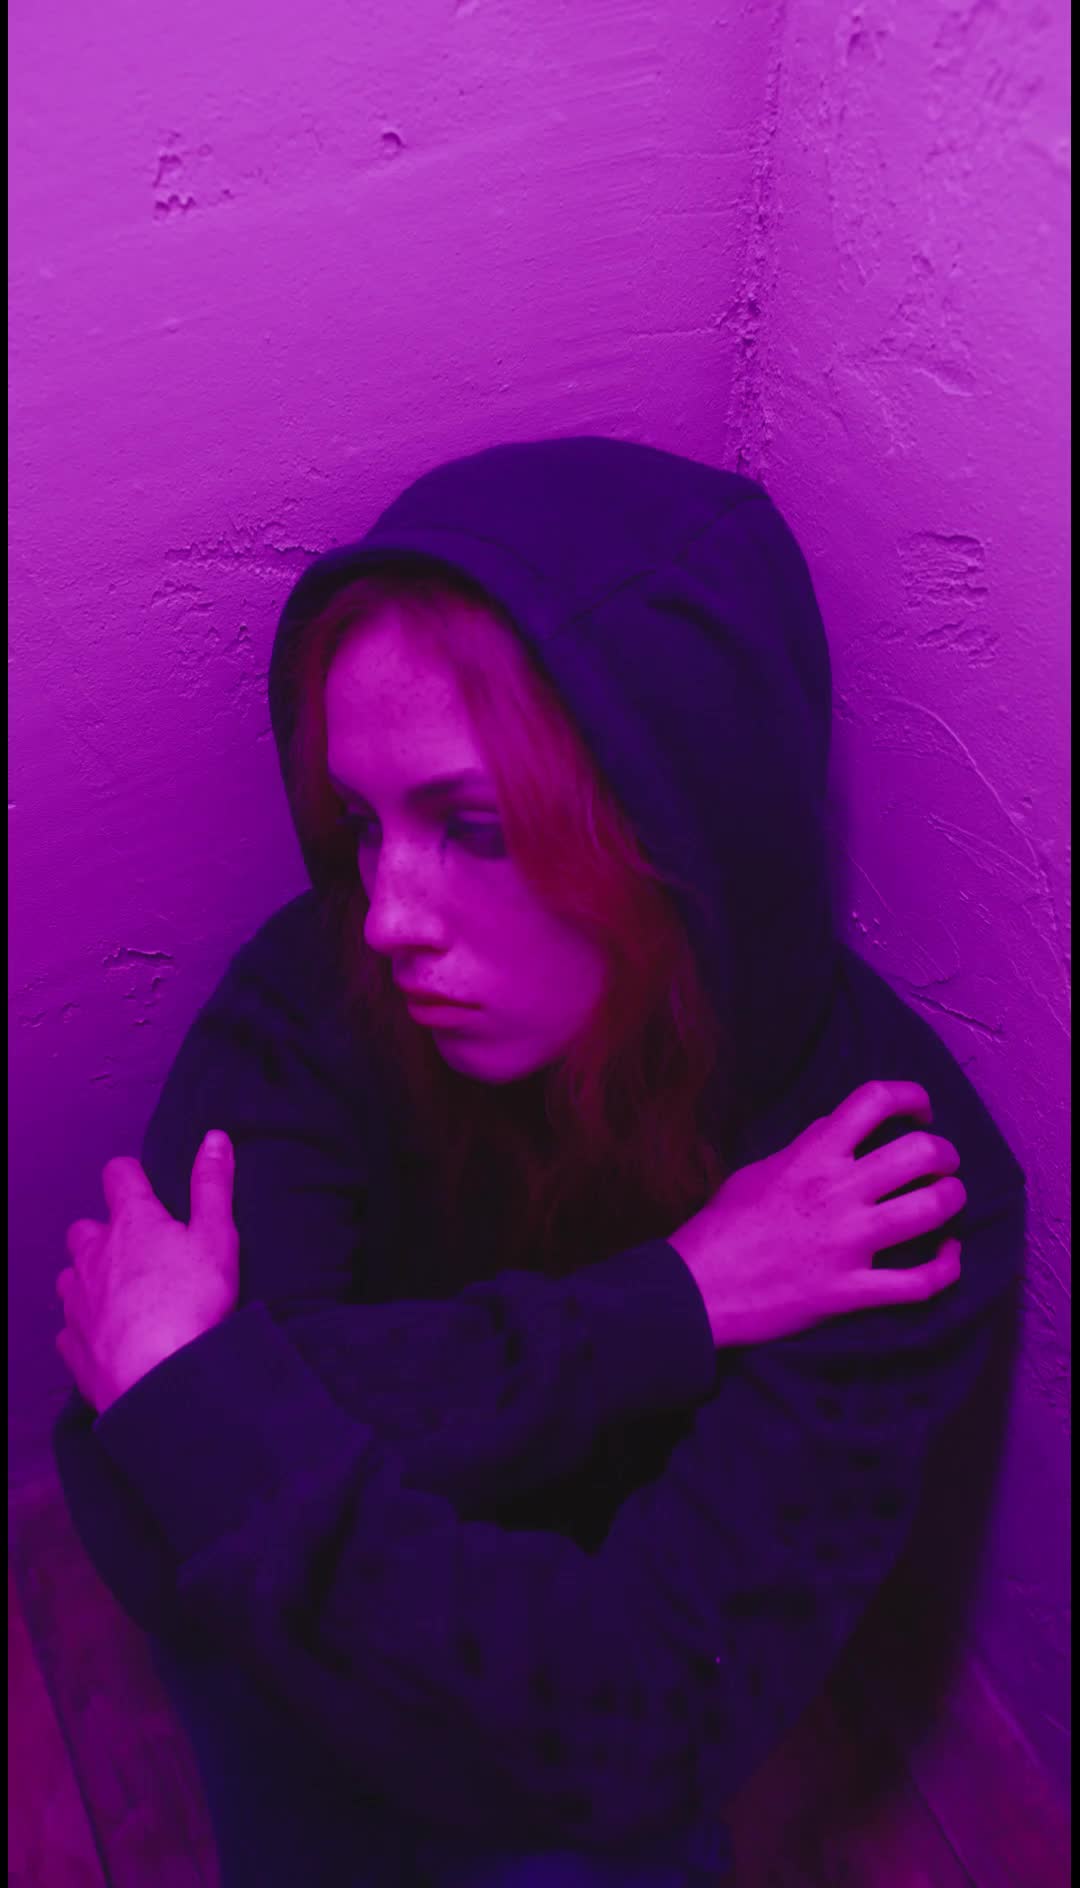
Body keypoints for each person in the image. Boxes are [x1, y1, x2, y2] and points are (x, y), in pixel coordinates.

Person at [52, 436, 1025, 1887]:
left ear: (680, 826)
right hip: (342, 1616)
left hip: (548, 1669)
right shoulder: (315, 1002)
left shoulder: (882, 1177)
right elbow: (140, 1500)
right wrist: (670, 1303)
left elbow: (634, 1723)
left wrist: (210, 1408)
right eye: (364, 823)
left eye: (475, 828)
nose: (386, 916)